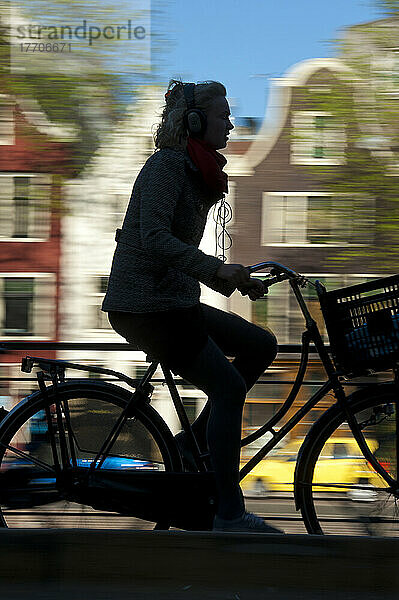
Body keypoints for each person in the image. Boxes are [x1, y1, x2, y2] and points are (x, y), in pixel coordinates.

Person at [101, 79, 282, 533]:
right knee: (227, 390)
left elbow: (178, 250)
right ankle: (228, 513)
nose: (231, 123)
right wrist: (216, 271)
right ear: (195, 121)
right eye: (222, 116)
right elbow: (153, 237)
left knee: (260, 344)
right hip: (146, 305)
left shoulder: (196, 171)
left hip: (174, 299)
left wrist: (233, 279)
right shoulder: (167, 166)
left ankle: (193, 445)